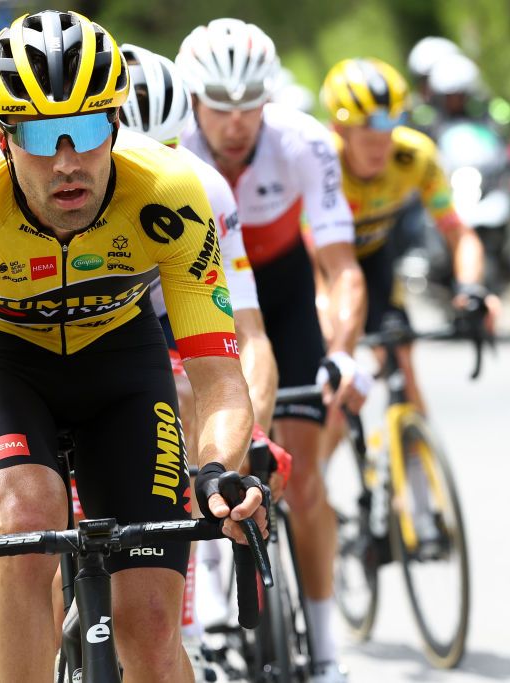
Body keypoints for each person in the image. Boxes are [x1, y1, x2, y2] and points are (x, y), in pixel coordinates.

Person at [0, 10, 267, 682]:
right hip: (6, 365)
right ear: (3, 135)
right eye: (42, 134)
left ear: (118, 125)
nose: (67, 160)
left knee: (154, 627)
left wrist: (217, 467)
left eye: (91, 127)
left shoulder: (172, 192)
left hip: (120, 364)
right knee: (24, 514)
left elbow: (220, 379)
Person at [176, 18, 369, 683]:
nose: (236, 122)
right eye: (220, 106)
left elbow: (341, 265)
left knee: (306, 480)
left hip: (282, 293)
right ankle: (200, 572)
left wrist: (341, 351)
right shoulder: (172, 148)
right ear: (193, 100)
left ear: (270, 98)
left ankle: (324, 651)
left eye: (249, 104)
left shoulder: (303, 141)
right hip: (203, 292)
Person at [117, 42, 285, 637]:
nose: (154, 175)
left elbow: (249, 335)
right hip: (84, 329)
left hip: (168, 313)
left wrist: (251, 435)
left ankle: (208, 561)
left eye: (168, 153)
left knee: (193, 394)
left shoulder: (204, 189)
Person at [321, 57, 500, 418]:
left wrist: (471, 288)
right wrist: (325, 310)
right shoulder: (321, 161)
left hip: (374, 259)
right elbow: (311, 256)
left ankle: (416, 459)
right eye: (368, 137)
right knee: (334, 399)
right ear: (341, 132)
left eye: (387, 134)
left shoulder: (415, 156)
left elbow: (457, 232)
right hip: (320, 266)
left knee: (402, 362)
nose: (379, 149)